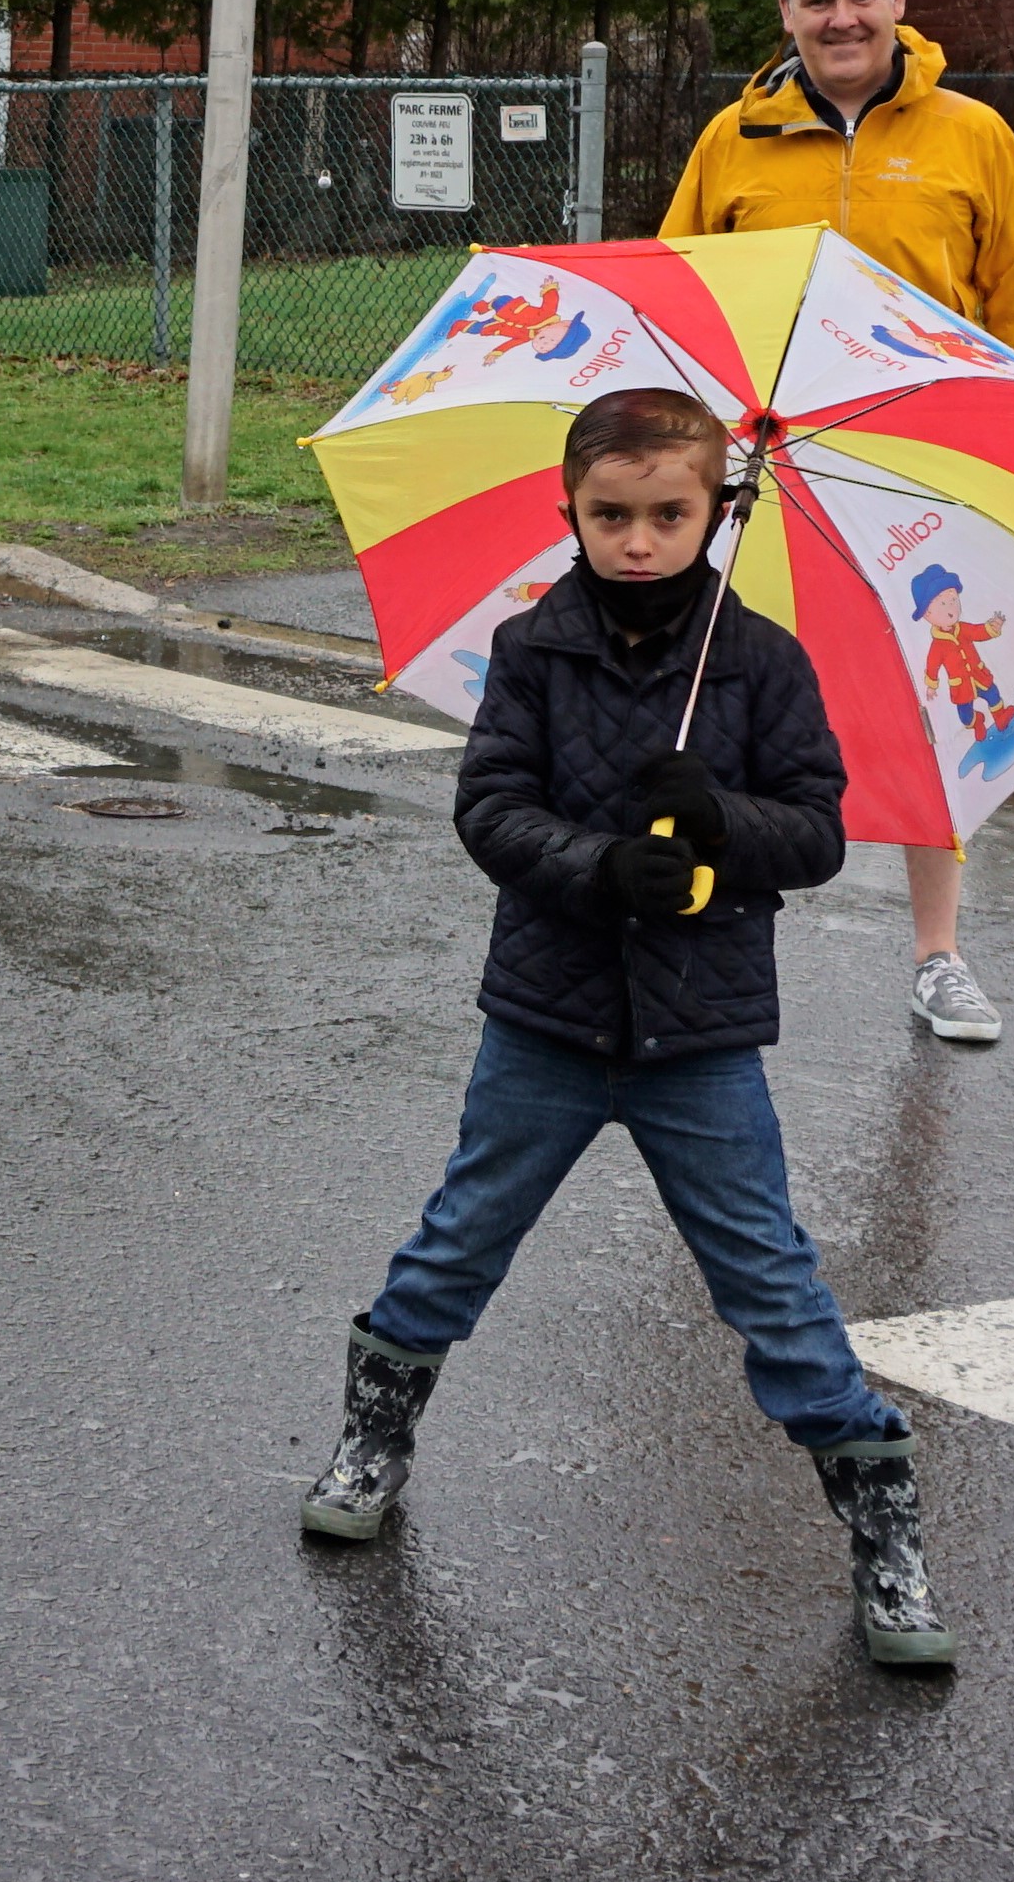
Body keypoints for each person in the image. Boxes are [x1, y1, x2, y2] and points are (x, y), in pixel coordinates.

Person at [298, 387, 948, 1671]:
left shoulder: (760, 662)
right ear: (572, 513)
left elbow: (816, 829)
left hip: (698, 1039)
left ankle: (881, 1519)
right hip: (546, 1016)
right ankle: (376, 1429)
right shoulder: (534, 649)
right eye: (611, 516)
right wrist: (600, 866)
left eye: (668, 514)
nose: (639, 540)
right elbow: (491, 808)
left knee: (768, 1272)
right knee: (461, 1232)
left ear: (717, 510)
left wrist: (722, 818)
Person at [659, 0, 1014, 1048]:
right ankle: (708, 923)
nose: (842, 16)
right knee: (731, 691)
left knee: (926, 700)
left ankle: (937, 955)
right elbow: (683, 289)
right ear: (787, 12)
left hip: (916, 458)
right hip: (760, 454)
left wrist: (1003, 445)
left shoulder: (974, 136)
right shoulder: (731, 143)